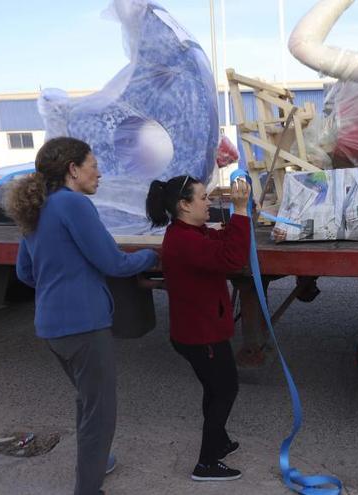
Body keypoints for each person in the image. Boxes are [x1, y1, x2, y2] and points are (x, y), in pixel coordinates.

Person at [4, 137, 158, 495]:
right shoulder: (73, 205)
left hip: (52, 328)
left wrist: (61, 274)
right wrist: (150, 257)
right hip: (84, 326)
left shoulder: (38, 207)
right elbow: (113, 262)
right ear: (73, 169)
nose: (99, 173)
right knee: (100, 414)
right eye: (93, 164)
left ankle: (99, 460)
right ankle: (88, 489)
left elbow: (26, 272)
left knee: (87, 401)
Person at [145, 174, 251, 482]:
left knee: (215, 388)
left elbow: (221, 242)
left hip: (198, 331)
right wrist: (241, 212)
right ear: (183, 204)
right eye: (203, 198)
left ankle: (219, 442)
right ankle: (206, 463)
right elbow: (231, 257)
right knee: (226, 389)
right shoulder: (184, 241)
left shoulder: (189, 232)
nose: (209, 203)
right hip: (201, 335)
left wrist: (238, 219)